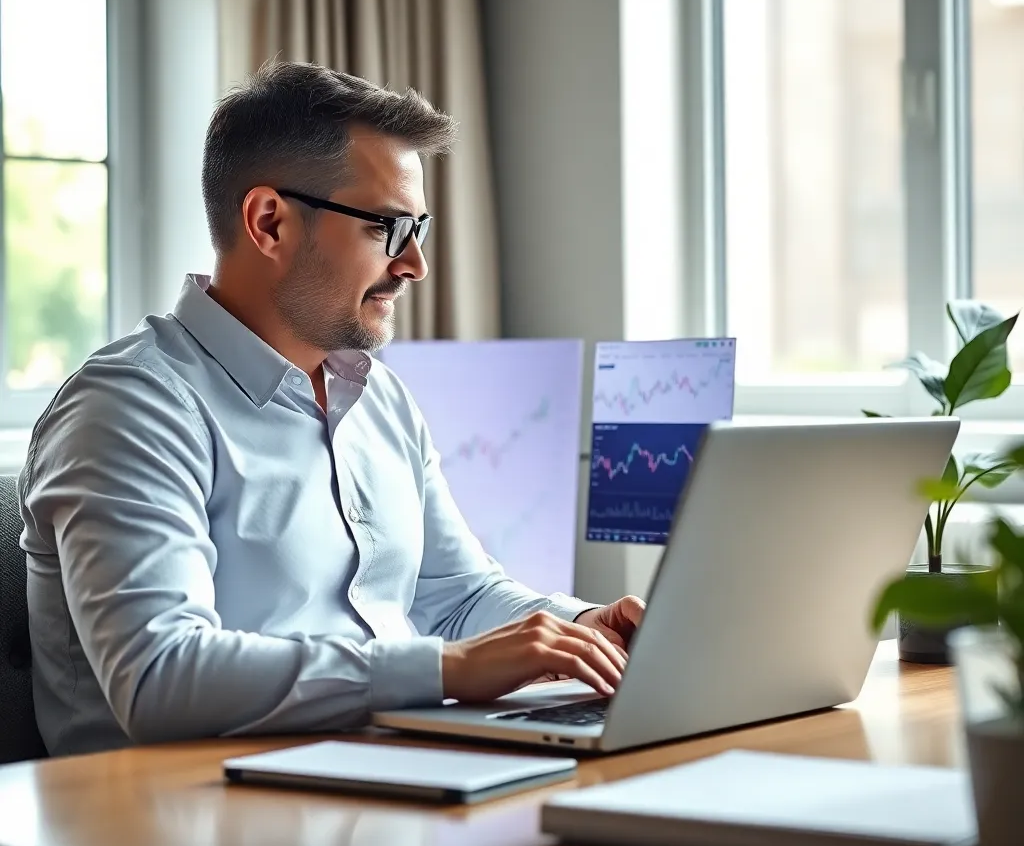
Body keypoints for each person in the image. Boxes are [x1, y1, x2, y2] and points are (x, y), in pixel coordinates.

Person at [19, 61, 645, 757]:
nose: (415, 265)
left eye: (419, 229)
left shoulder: (380, 398)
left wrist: (582, 628)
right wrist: (444, 670)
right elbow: (158, 677)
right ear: (269, 222)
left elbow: (457, 595)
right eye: (387, 228)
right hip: (180, 804)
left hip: (371, 772)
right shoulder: (128, 407)